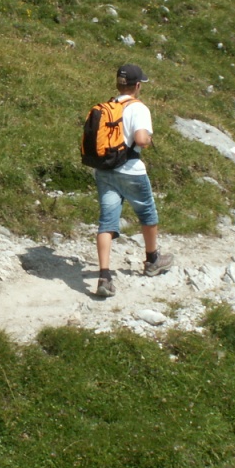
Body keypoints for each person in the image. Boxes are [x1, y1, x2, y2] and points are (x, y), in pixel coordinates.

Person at [93, 64, 174, 297]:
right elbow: (140, 139)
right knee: (147, 214)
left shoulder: (108, 106)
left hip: (105, 170)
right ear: (137, 86)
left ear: (118, 84)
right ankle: (152, 260)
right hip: (131, 169)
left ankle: (104, 276)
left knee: (107, 222)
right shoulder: (139, 108)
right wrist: (147, 138)